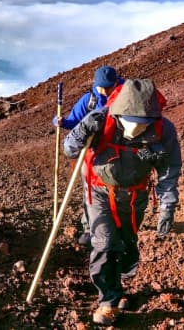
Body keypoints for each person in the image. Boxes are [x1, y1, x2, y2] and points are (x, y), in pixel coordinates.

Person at [63, 79, 181, 325]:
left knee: (127, 246)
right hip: (99, 192)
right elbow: (70, 149)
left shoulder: (163, 129)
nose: (136, 129)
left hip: (135, 196)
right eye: (131, 123)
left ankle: (118, 284)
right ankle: (108, 301)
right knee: (104, 243)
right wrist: (82, 131)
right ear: (119, 113)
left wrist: (167, 205)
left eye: (143, 125)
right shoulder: (100, 119)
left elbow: (169, 169)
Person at [53, 65, 122, 246]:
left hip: (118, 153)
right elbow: (73, 122)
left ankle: (118, 225)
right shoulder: (89, 100)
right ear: (95, 85)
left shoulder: (125, 96)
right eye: (102, 87)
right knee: (90, 192)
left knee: (118, 190)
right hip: (92, 155)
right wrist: (61, 121)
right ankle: (89, 228)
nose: (105, 91)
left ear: (116, 82)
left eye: (109, 87)